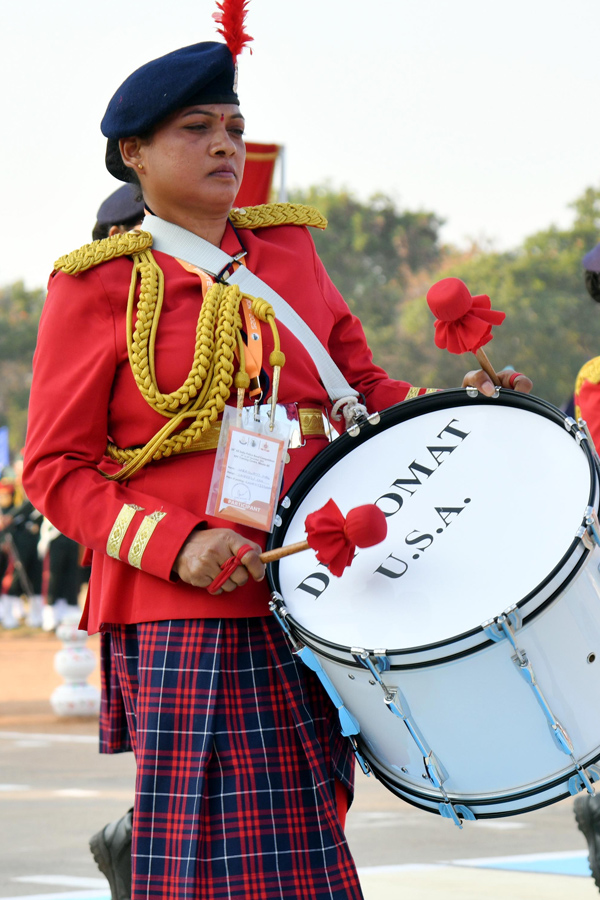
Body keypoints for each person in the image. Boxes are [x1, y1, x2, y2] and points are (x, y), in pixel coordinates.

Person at [22, 6, 532, 899]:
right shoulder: (96, 286)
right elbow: (55, 469)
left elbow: (363, 393)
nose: (225, 145)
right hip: (189, 598)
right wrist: (179, 542)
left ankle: (143, 847)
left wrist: (467, 411)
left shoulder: (290, 250)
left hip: (322, 572)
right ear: (134, 154)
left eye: (234, 128)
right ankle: (150, 852)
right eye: (196, 129)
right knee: (241, 850)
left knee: (303, 808)